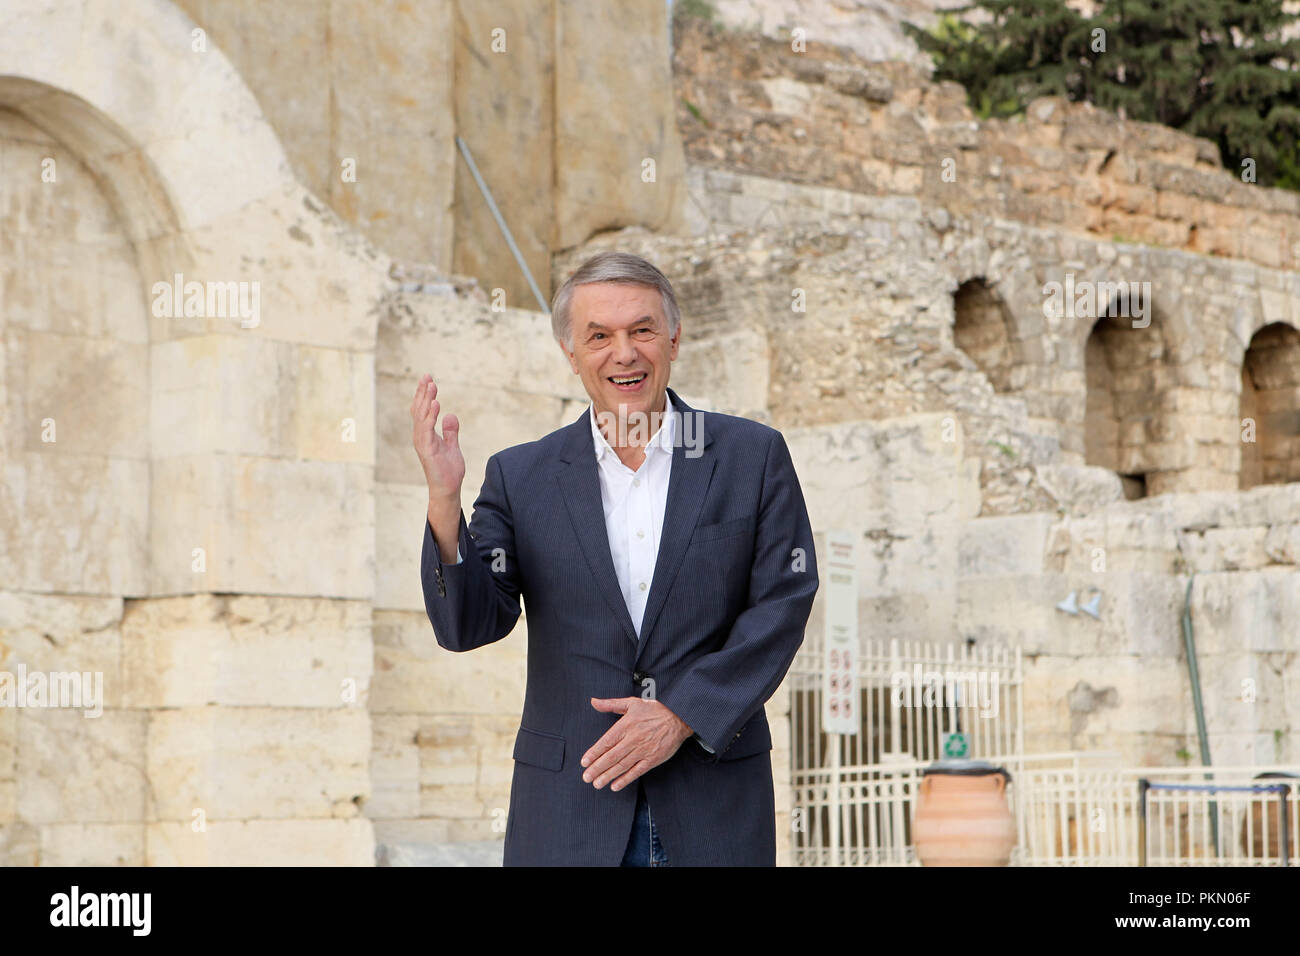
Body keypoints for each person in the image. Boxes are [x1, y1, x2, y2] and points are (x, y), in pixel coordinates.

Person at [413, 251, 819, 865]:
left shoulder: (750, 456)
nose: (623, 353)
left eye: (642, 330)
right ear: (570, 354)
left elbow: (782, 603)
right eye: (598, 336)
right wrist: (445, 502)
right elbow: (469, 625)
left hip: (713, 809)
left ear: (675, 339)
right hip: (568, 811)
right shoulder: (521, 476)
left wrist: (682, 713)